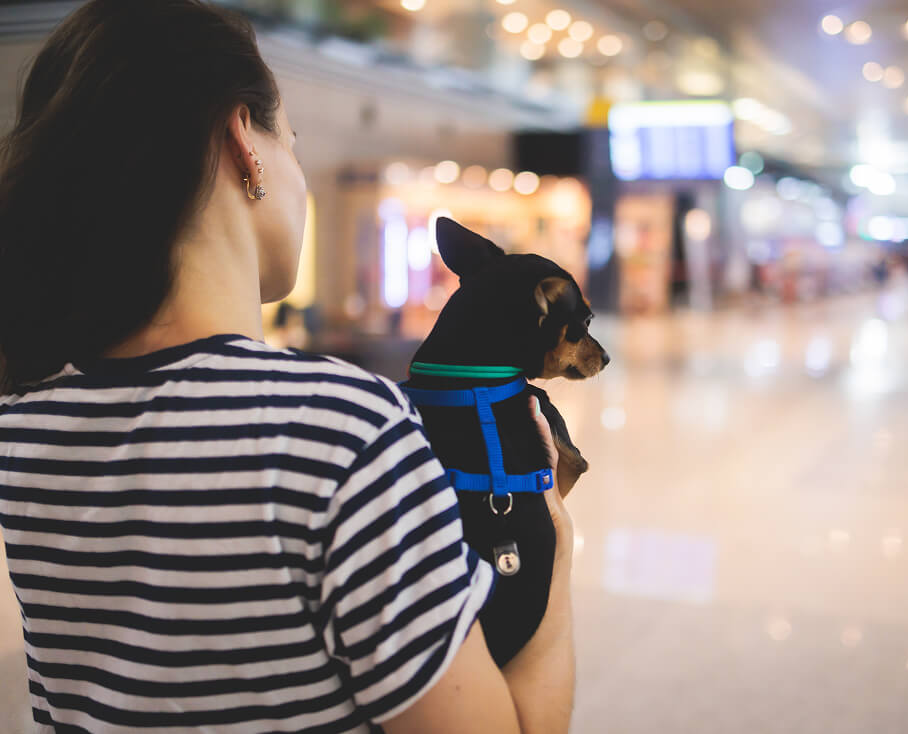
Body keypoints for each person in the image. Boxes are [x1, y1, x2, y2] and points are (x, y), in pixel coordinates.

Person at [0, 1, 575, 732]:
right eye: (293, 142)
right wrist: (554, 552)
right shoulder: (341, 430)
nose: (300, 176)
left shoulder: (25, 423)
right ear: (244, 139)